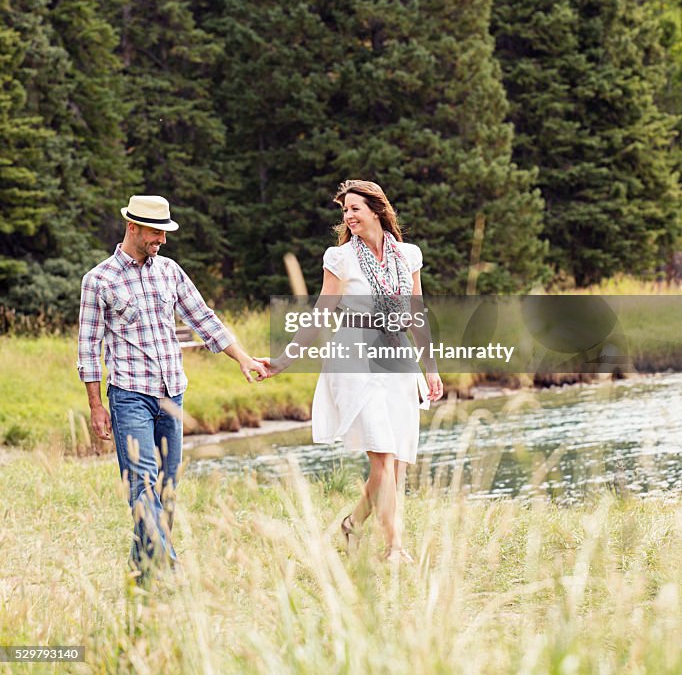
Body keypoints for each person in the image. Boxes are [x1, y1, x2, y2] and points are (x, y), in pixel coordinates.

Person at [78, 194, 267, 580]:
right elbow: (87, 348)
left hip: (171, 394)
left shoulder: (169, 271)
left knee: (166, 488)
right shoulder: (98, 281)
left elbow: (204, 318)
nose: (162, 240)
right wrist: (97, 407)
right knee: (142, 482)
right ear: (133, 227)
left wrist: (244, 358)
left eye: (164, 233)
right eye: (155, 232)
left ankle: (143, 573)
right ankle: (171, 571)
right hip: (129, 395)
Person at [262, 180, 443, 562]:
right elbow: (322, 313)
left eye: (355, 209)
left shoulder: (408, 255)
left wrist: (431, 368)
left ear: (377, 210)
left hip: (397, 358)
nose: (348, 216)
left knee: (395, 461)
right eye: (345, 211)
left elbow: (416, 314)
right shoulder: (340, 258)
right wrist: (285, 359)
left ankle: (352, 524)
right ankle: (394, 548)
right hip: (354, 358)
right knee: (382, 454)